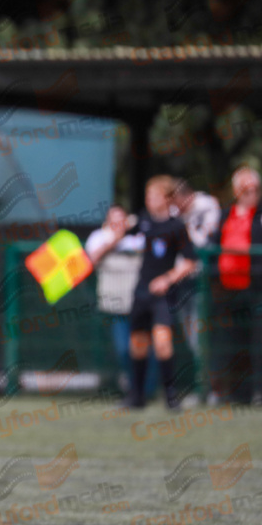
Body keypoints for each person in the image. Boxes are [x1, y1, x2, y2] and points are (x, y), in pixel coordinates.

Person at [99, 175, 196, 410]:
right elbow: (116, 235)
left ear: (167, 198)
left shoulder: (176, 226)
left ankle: (171, 397)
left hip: (163, 295)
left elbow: (190, 262)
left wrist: (167, 279)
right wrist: (117, 226)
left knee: (163, 342)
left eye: (155, 195)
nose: (150, 200)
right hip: (140, 292)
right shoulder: (142, 222)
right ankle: (137, 397)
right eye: (148, 196)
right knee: (138, 345)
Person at [85, 205, 157, 396]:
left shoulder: (138, 238)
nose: (117, 224)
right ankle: (132, 386)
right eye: (113, 219)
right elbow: (90, 260)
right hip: (114, 305)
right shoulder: (98, 237)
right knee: (124, 349)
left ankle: (145, 390)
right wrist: (115, 241)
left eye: (121, 219)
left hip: (140, 303)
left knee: (144, 348)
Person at [208, 167, 262, 404]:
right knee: (230, 342)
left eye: (256, 189)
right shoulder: (224, 215)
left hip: (255, 289)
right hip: (227, 291)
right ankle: (236, 393)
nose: (252, 193)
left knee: (256, 342)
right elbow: (212, 245)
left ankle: (257, 391)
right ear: (236, 191)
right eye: (246, 189)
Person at [170, 179, 220, 385]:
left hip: (201, 281)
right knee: (191, 337)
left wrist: (182, 227)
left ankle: (212, 388)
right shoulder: (175, 212)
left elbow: (201, 243)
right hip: (180, 282)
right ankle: (202, 385)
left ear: (187, 197)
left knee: (203, 337)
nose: (175, 207)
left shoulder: (207, 206)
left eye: (177, 202)